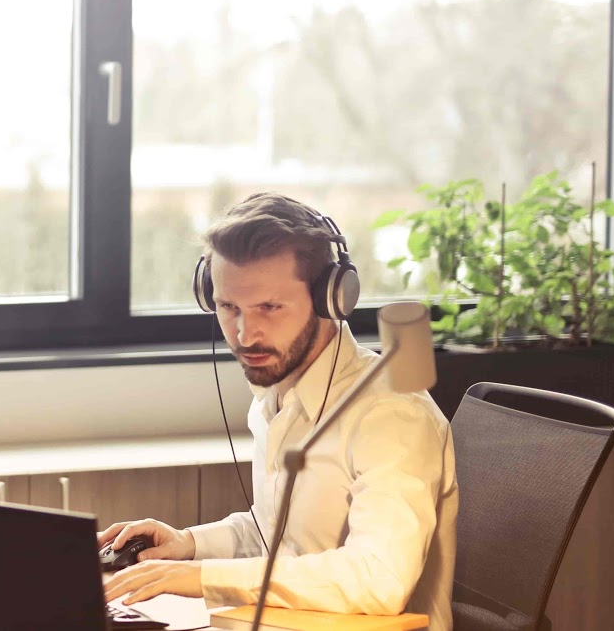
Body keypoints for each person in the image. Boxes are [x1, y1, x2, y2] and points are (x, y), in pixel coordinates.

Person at [100, 193, 458, 631]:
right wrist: (188, 544)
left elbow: (379, 579)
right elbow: (277, 537)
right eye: (229, 307)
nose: (246, 334)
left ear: (332, 298)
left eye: (269, 307)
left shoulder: (392, 415)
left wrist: (201, 577)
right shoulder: (277, 393)